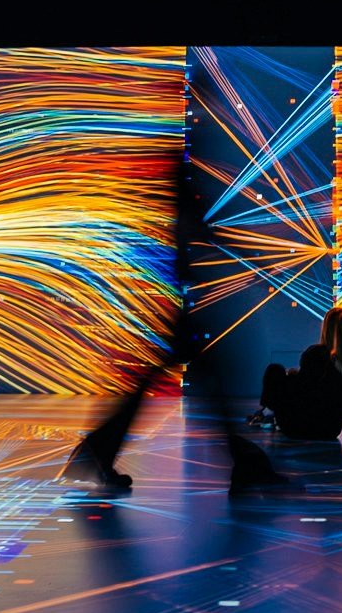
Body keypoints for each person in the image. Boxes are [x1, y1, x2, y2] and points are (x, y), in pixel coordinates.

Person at [61, 157, 290, 494]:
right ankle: (245, 469)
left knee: (205, 386)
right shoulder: (183, 179)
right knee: (213, 386)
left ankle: (95, 456)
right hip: (177, 305)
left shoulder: (178, 179)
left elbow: (196, 231)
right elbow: (199, 230)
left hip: (177, 303)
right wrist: (254, 259)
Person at [256, 307, 342, 446]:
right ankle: (268, 415)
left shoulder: (315, 355)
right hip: (329, 430)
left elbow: (301, 392)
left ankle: (267, 414)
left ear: (326, 329)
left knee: (275, 370)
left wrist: (292, 376)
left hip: (295, 427)